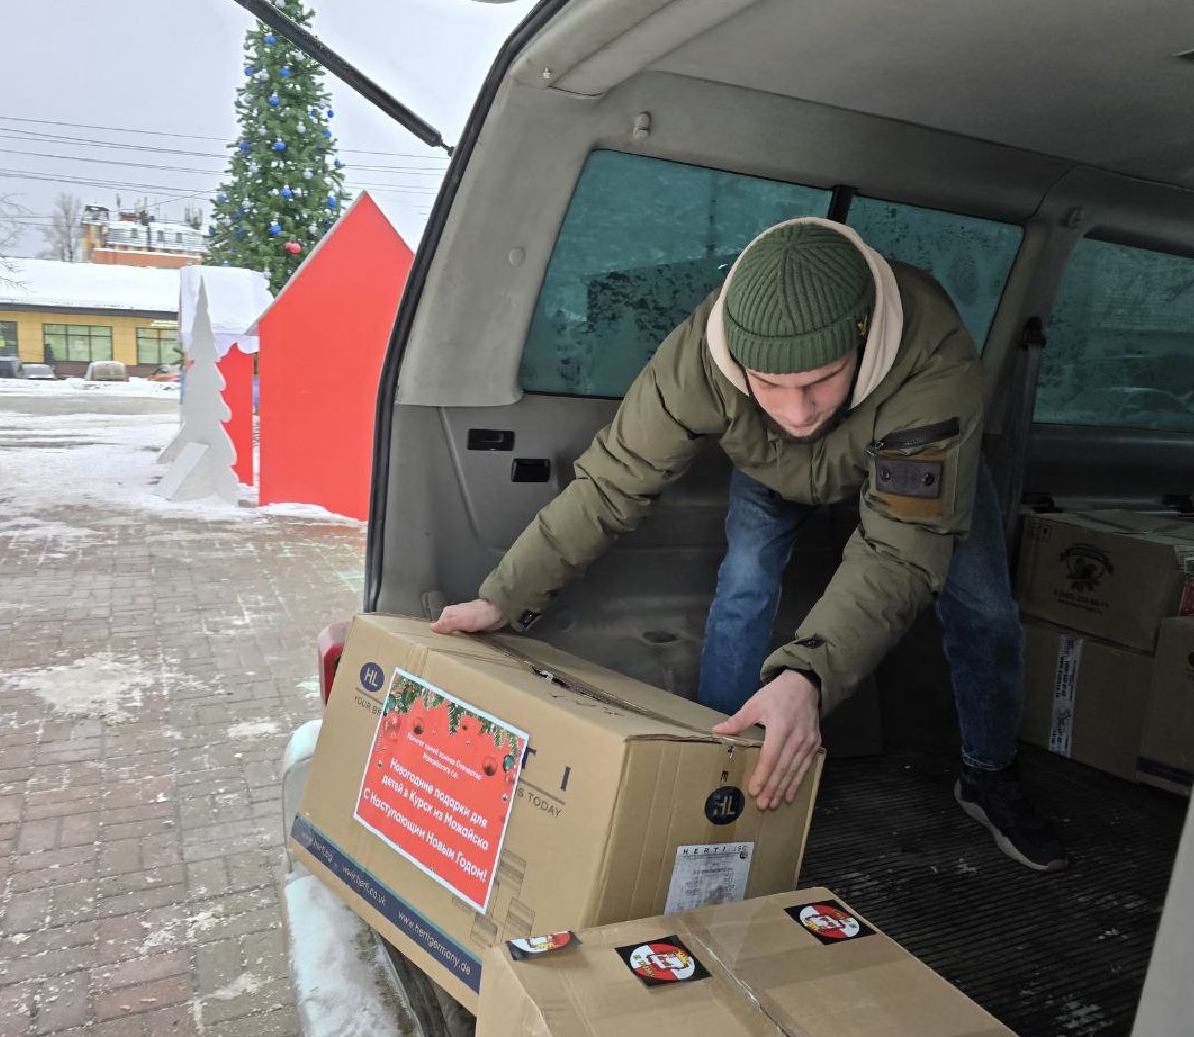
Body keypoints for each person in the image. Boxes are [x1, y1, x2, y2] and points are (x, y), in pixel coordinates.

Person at [433, 218, 1066, 872]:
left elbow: (899, 550)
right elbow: (611, 483)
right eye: (768, 385)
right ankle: (711, 762)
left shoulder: (933, 360)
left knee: (985, 611)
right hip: (770, 471)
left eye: (821, 380)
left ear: (863, 337)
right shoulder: (699, 360)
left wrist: (808, 677)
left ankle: (989, 774)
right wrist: (505, 594)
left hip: (913, 465)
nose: (797, 413)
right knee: (744, 580)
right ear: (733, 358)